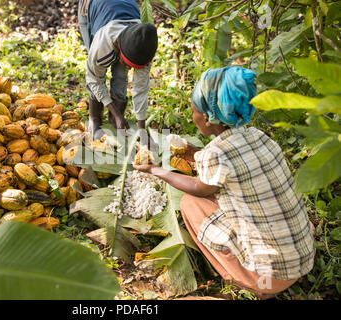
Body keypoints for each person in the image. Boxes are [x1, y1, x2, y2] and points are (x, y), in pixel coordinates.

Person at [133, 66, 315, 299]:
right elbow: (233, 164)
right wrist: (193, 151)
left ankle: (243, 280)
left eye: (194, 110)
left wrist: (156, 170)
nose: (192, 116)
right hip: (300, 259)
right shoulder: (259, 136)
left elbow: (199, 187)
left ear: (207, 119)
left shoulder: (216, 154)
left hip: (269, 278)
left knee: (191, 203)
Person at [78, 0, 158, 145]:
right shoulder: (101, 46)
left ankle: (115, 118)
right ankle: (95, 119)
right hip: (93, 6)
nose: (130, 68)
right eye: (129, 64)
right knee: (97, 72)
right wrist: (115, 112)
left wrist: (142, 130)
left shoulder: (144, 46)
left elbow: (141, 89)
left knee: (121, 73)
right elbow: (94, 80)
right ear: (119, 48)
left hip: (123, 11)